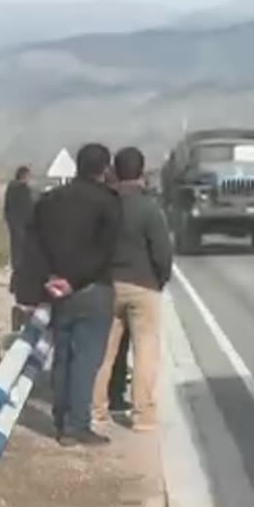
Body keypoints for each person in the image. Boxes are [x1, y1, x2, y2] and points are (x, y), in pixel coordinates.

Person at [16, 143, 121, 447]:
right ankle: (76, 425)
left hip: (57, 292)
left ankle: (61, 421)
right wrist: (73, 281)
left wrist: (49, 280)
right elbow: (106, 251)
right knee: (86, 359)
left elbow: (32, 245)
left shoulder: (49, 201)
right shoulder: (107, 202)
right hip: (91, 290)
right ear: (105, 169)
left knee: (62, 356)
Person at [92, 146, 172, 432]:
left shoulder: (104, 205)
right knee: (146, 351)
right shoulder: (149, 208)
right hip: (143, 285)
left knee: (104, 351)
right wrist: (159, 280)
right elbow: (162, 251)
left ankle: (97, 409)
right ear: (140, 171)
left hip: (108, 285)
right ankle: (143, 416)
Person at [3, 165, 34, 329]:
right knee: (23, 259)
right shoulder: (23, 190)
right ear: (25, 176)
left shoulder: (10, 189)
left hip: (14, 228)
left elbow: (6, 210)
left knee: (16, 257)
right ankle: (19, 284)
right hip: (24, 229)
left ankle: (14, 283)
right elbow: (29, 210)